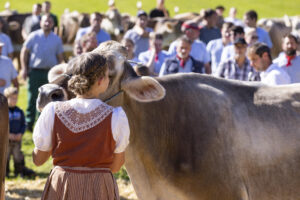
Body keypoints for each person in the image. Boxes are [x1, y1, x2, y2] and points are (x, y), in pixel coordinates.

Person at [32, 52, 130, 199]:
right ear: (101, 80)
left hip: (62, 185)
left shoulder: (52, 110)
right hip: (99, 188)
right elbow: (115, 167)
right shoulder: (116, 116)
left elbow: (38, 160)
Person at [20, 14, 64, 132]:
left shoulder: (56, 39)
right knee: (32, 97)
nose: (47, 23)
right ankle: (29, 123)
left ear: (53, 24)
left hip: (50, 74)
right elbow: (24, 51)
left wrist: (62, 73)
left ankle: (42, 123)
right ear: (41, 23)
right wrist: (24, 68)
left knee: (48, 99)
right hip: (35, 72)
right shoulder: (33, 36)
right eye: (45, 21)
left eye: (49, 21)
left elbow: (60, 57)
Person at [5, 87, 35, 177]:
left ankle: (18, 172)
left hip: (17, 140)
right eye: (12, 98)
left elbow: (24, 124)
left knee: (17, 156)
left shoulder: (20, 111)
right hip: (6, 141)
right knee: (5, 157)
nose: (14, 100)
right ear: (6, 98)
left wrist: (20, 134)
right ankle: (5, 173)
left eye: (16, 98)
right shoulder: (3, 112)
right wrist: (8, 135)